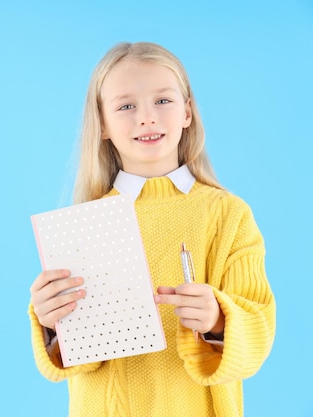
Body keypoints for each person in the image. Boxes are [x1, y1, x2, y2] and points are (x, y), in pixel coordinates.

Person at [28, 41, 276, 417]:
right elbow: (73, 358)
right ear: (103, 125)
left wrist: (218, 319)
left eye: (163, 101)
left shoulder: (227, 215)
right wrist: (51, 323)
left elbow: (259, 328)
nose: (146, 117)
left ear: (188, 113)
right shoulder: (81, 226)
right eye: (126, 106)